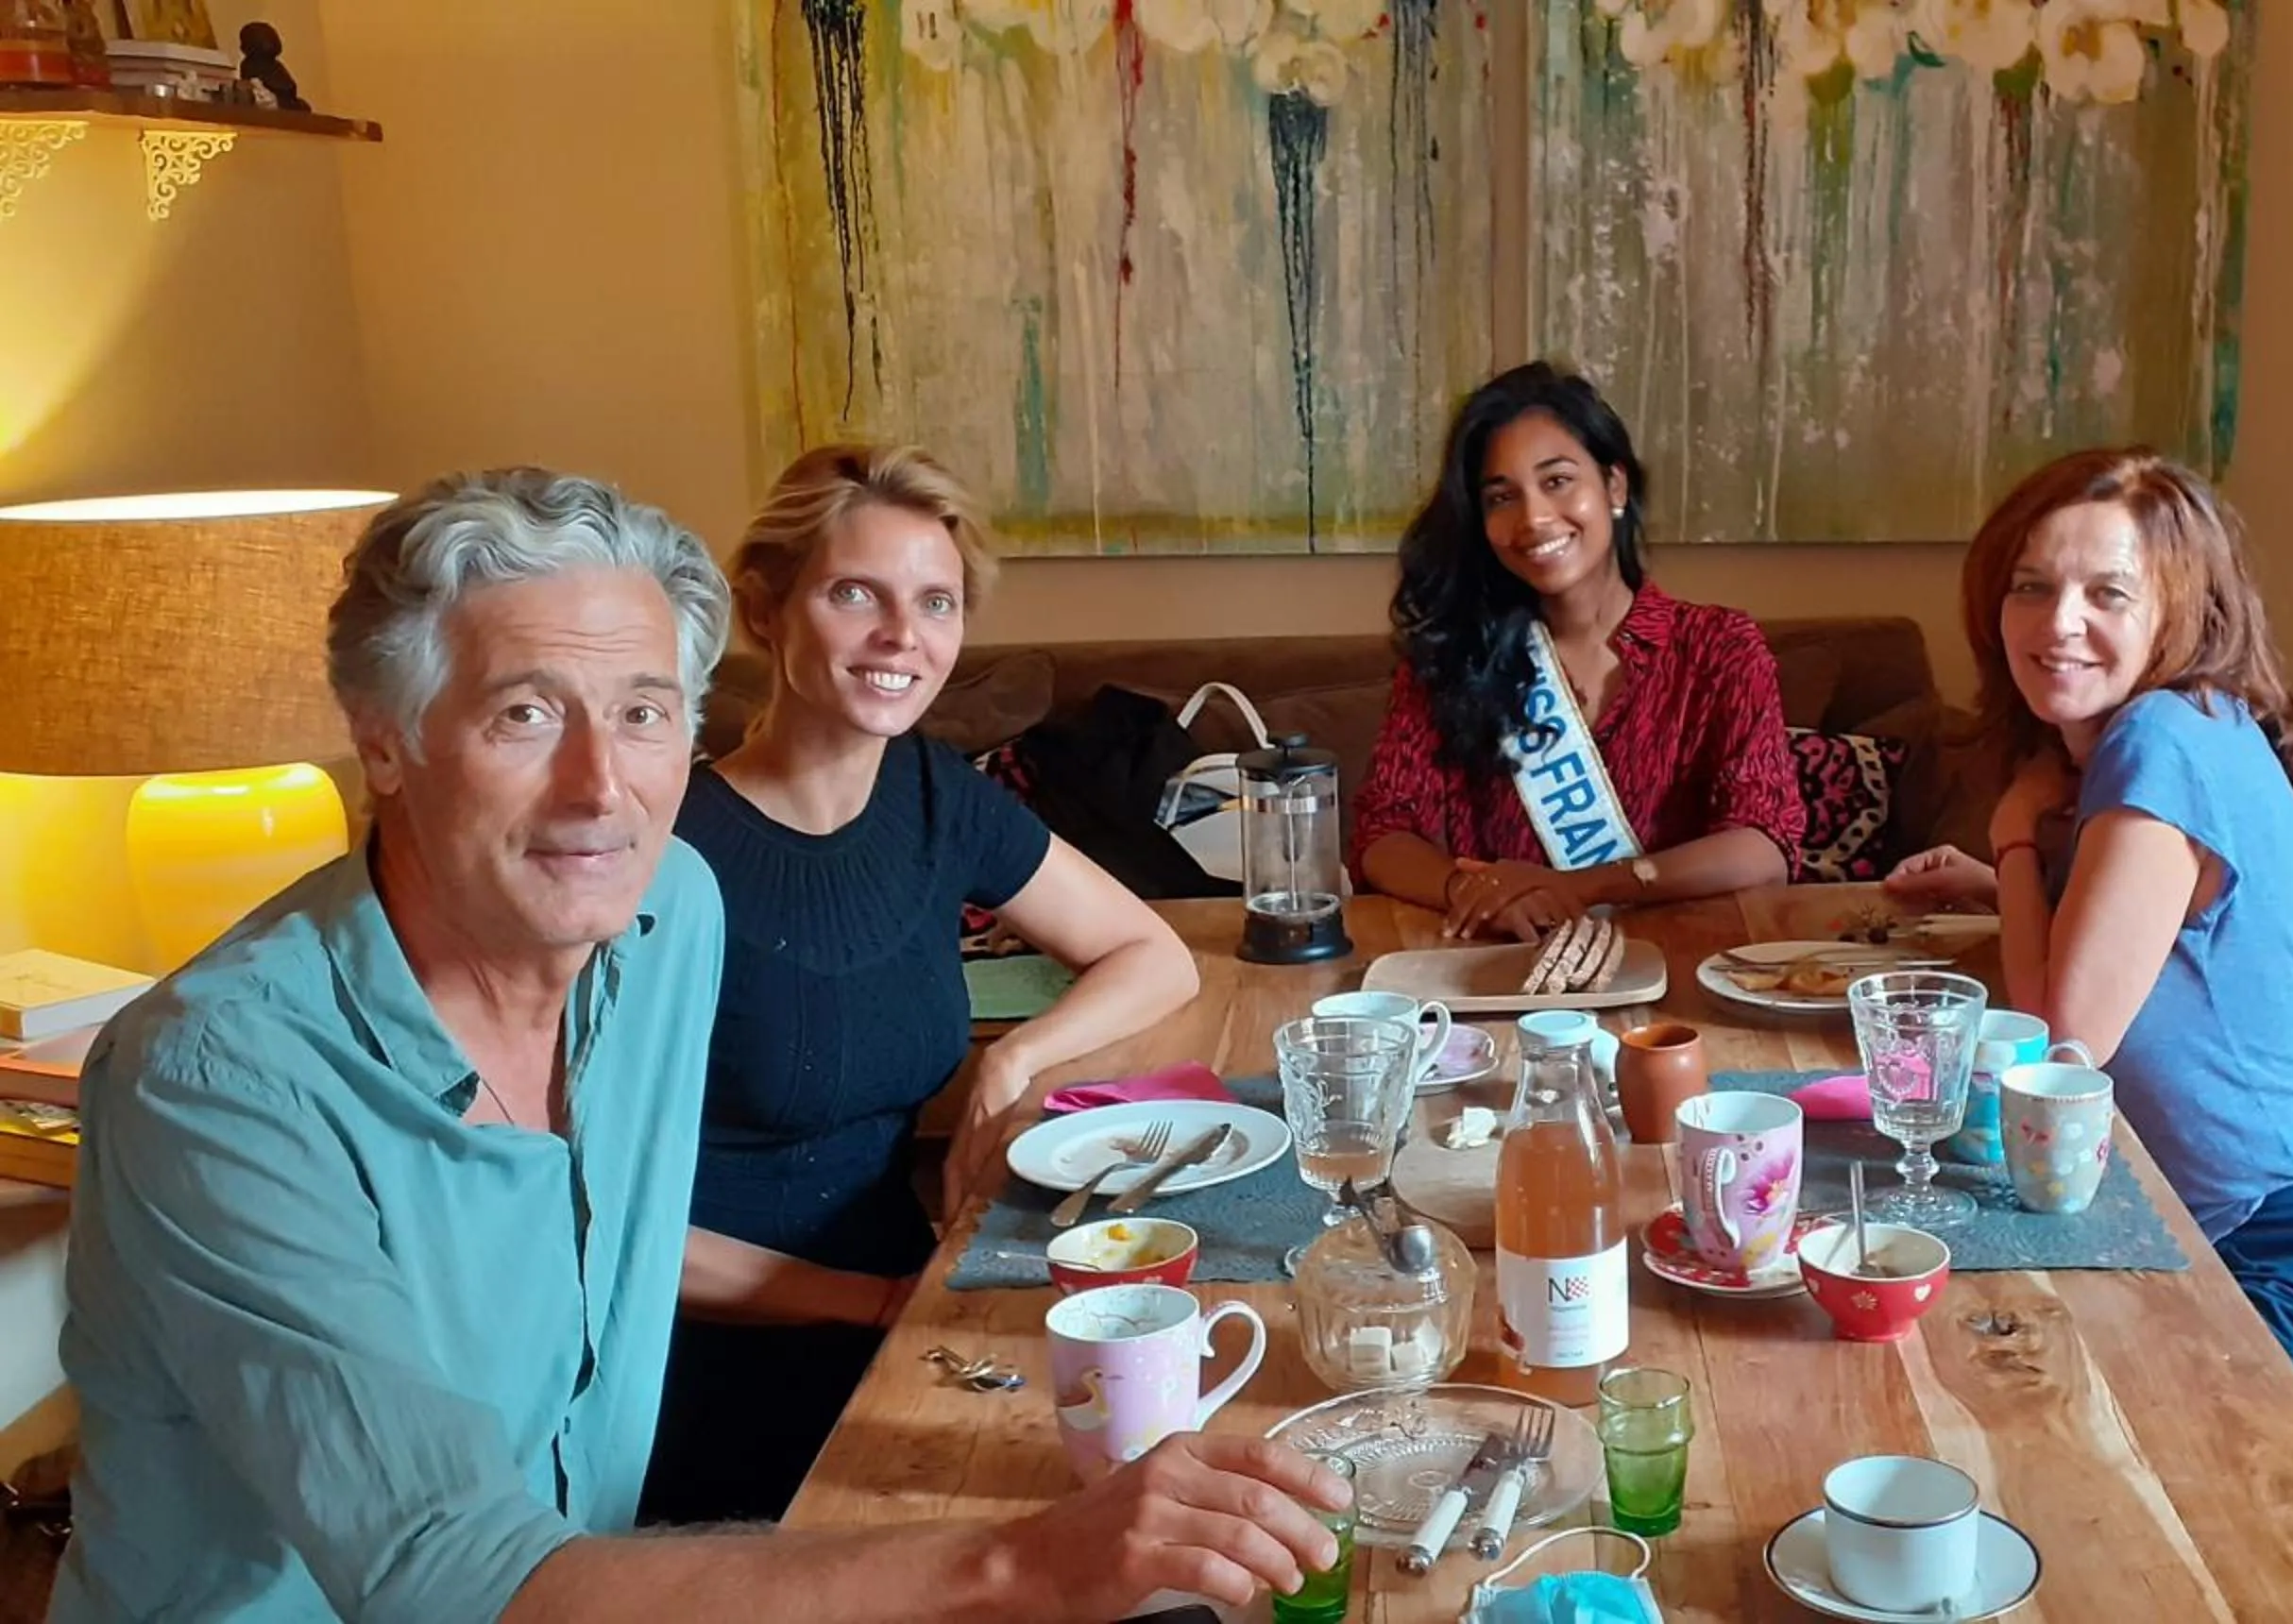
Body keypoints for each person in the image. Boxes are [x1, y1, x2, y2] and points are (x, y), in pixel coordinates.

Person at [50, 468, 1345, 1623]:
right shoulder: (218, 1081)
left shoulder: (669, 913)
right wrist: (1020, 1565)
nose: (600, 789)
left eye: (644, 712)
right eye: (521, 715)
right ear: (384, 738)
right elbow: (450, 1576)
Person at [642, 443, 1199, 1527]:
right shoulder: (662, 853)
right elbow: (601, 1228)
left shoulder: (937, 796)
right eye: (857, 594)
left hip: (904, 1305)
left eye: (936, 602)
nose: (904, 636)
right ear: (767, 611)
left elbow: (1154, 954)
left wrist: (1017, 1055)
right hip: (711, 1367)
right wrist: (883, 1303)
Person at [1879, 448, 2293, 1441]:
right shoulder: (2190, 721)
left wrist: (2012, 839)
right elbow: (2160, 936)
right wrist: (2013, 883)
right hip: (2254, 1234)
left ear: (2180, 609)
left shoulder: (2161, 743)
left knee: (2023, 1418)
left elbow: (2057, 1047)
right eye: (2032, 586)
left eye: (2108, 592)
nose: (2060, 622)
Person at [1353, 362, 1805, 940]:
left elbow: (1764, 843)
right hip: (1502, 969)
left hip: (1677, 971)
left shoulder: (1717, 650)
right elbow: (1381, 833)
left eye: (1557, 480)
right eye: (1501, 496)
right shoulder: (1454, 654)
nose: (1534, 518)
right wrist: (1466, 889)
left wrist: (1584, 886)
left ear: (1614, 486)